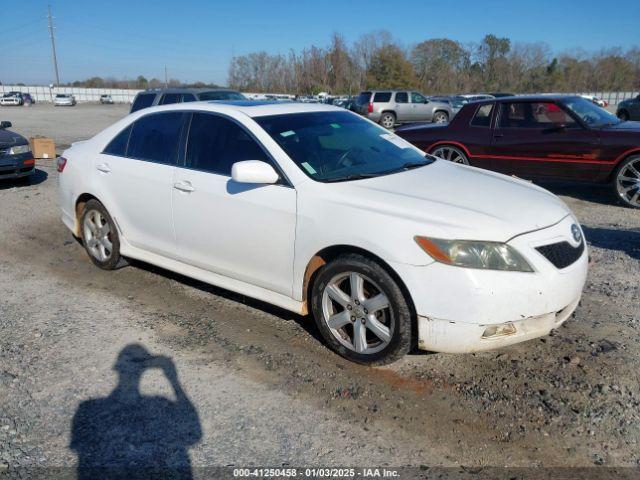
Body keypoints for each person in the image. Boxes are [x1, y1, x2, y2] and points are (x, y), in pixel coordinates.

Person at [70, 344, 202, 480]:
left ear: (117, 367)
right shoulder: (159, 404)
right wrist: (173, 379)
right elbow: (194, 434)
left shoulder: (88, 408)